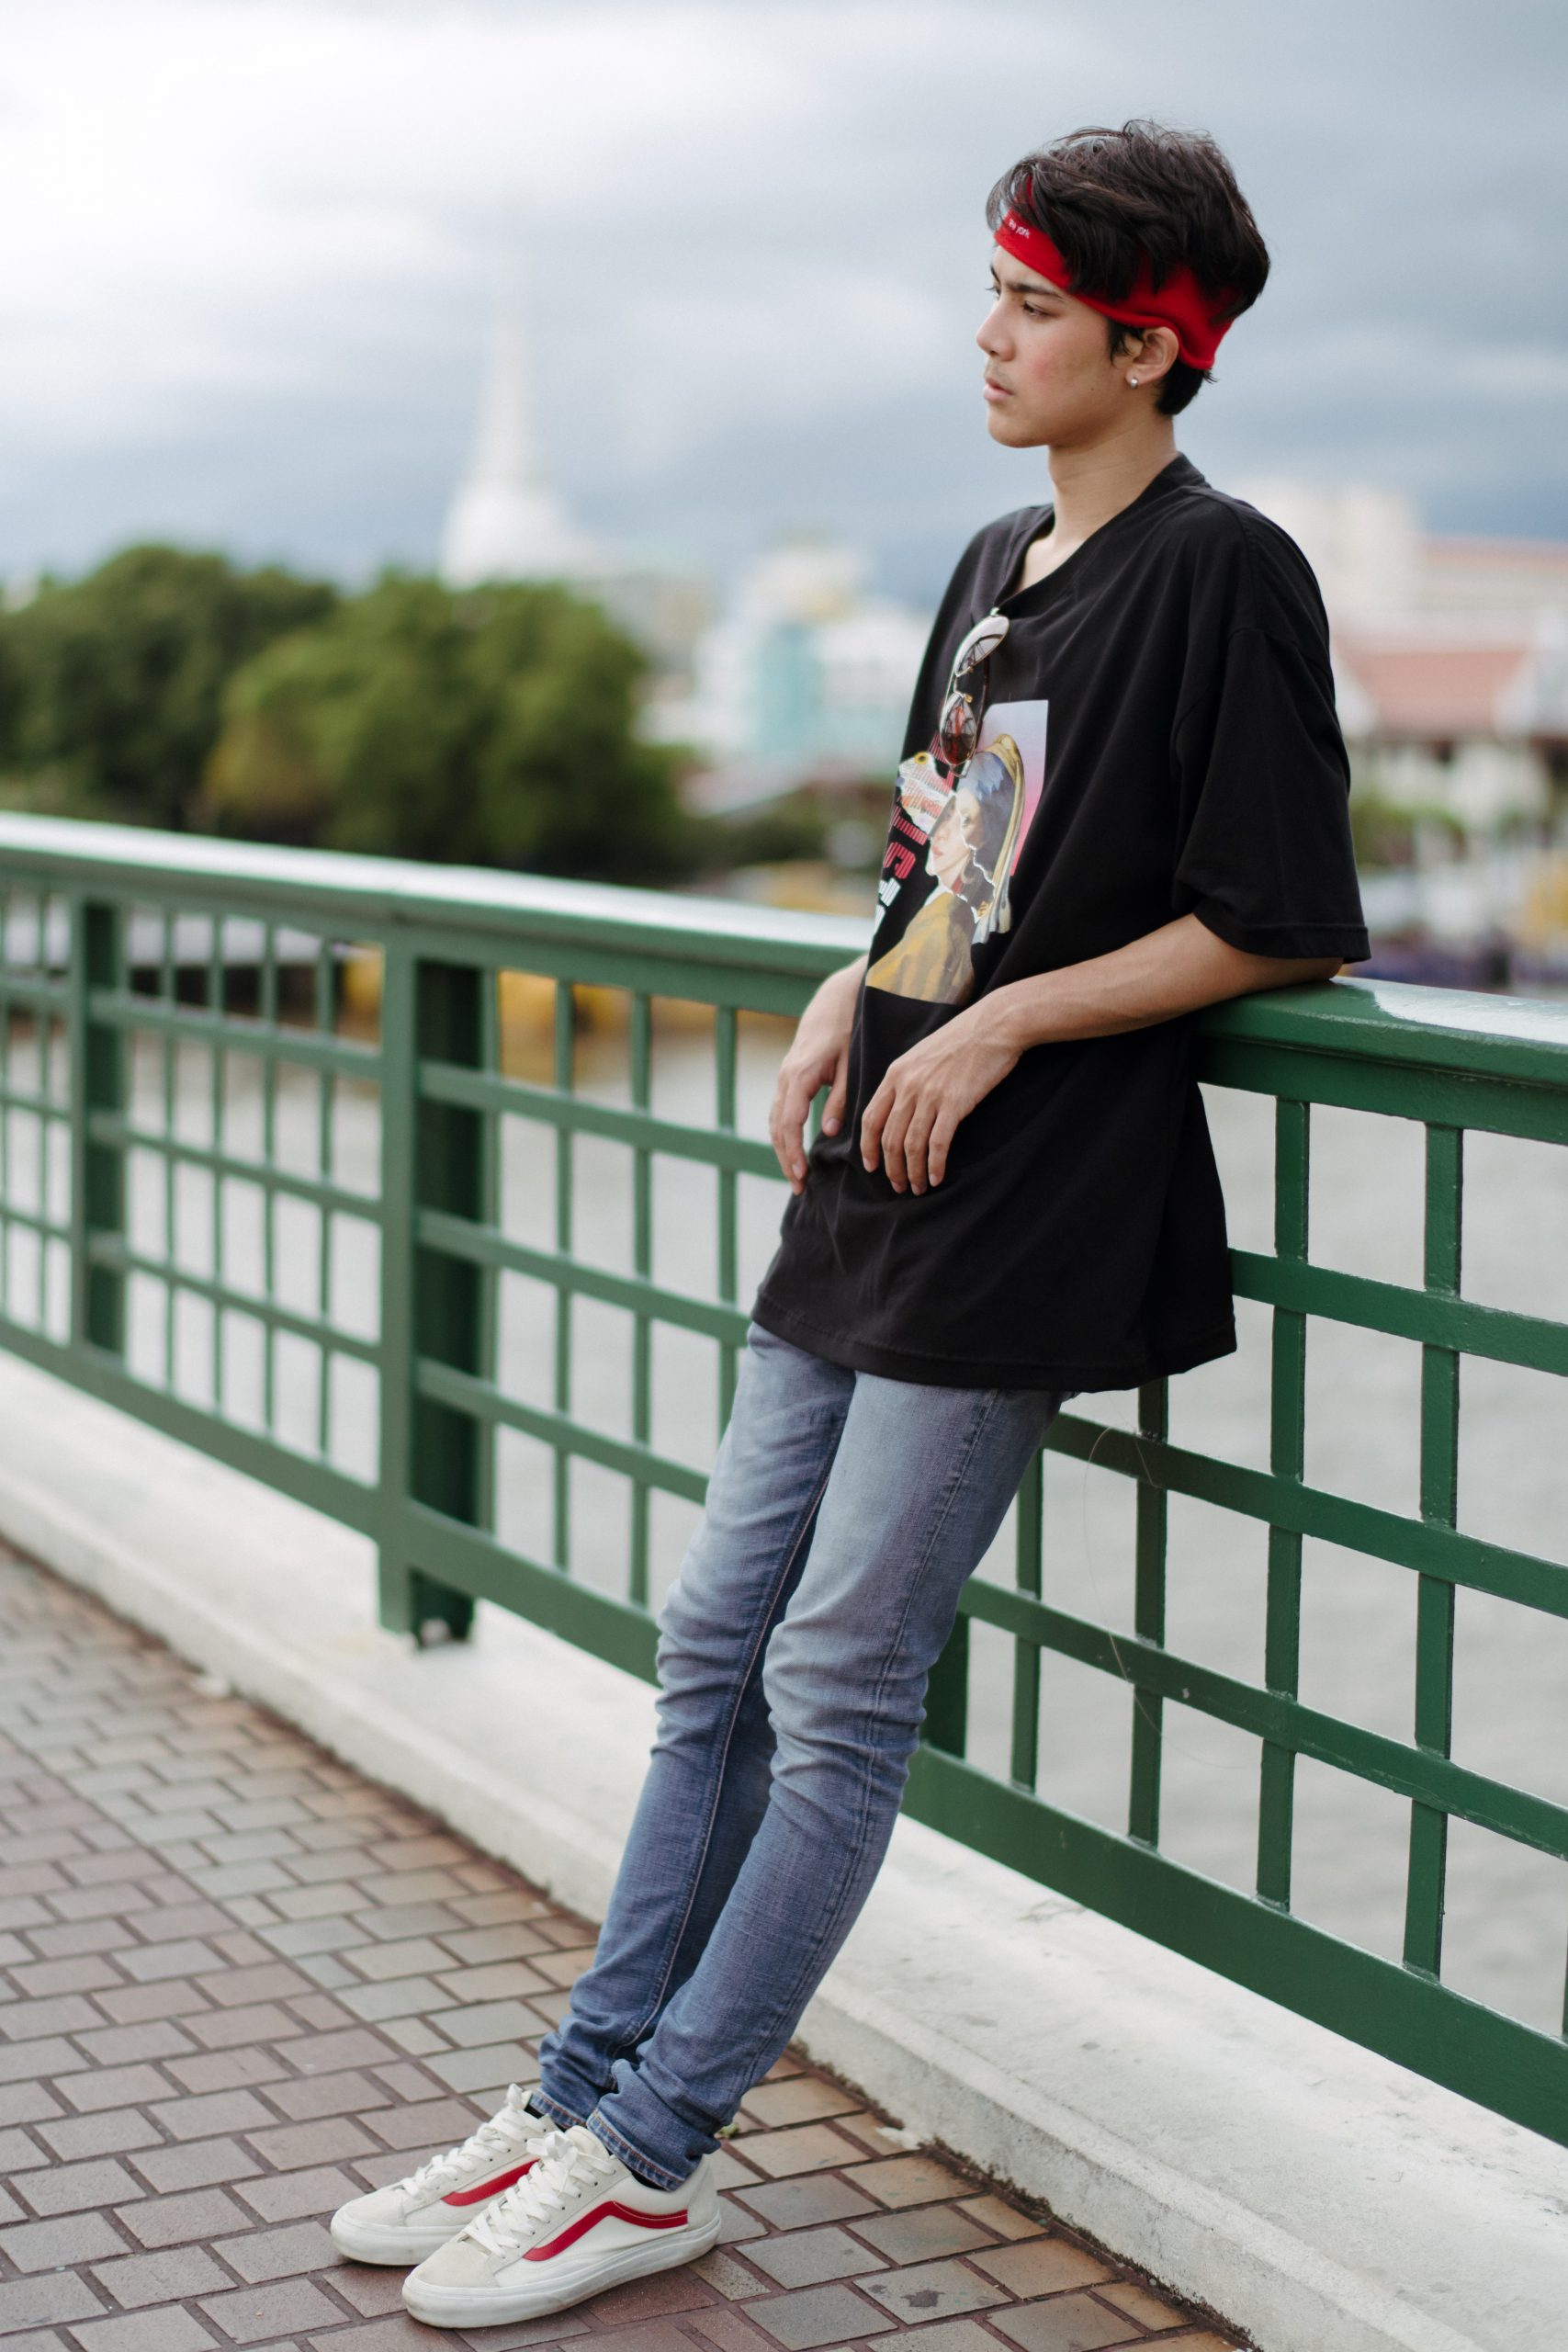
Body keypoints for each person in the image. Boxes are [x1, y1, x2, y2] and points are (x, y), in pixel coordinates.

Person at [331, 118, 1369, 2330]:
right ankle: (577, 2086)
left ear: (1147, 344)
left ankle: (652, 2150)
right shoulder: (994, 558)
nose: (984, 334)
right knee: (716, 1637)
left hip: (1027, 1206)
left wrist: (1001, 1025)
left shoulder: (1223, 571)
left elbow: (1275, 913)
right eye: (989, 289)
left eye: (1028, 303)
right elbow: (943, 864)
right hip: (868, 1181)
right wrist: (856, 983)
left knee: (833, 1674)